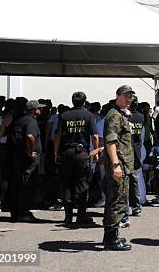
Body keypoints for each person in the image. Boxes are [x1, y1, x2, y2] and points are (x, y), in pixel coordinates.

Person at [53, 92, 100, 225]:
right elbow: (95, 136)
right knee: (82, 184)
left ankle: (68, 216)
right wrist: (96, 151)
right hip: (82, 153)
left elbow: (57, 136)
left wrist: (56, 153)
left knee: (67, 184)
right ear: (84, 102)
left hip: (66, 152)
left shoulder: (64, 115)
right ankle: (81, 215)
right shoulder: (88, 115)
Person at [102, 85, 136, 251]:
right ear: (118, 96)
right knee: (116, 201)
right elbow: (110, 142)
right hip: (119, 165)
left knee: (118, 200)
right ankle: (110, 240)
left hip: (124, 165)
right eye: (126, 96)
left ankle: (111, 235)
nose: (129, 99)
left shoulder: (120, 114)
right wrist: (116, 164)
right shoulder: (114, 115)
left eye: (131, 96)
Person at [10, 100, 45, 222]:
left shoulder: (20, 120)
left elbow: (14, 136)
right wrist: (30, 151)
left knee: (19, 184)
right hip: (28, 160)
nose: (40, 110)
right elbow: (30, 136)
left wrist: (22, 148)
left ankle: (16, 211)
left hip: (19, 156)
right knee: (27, 184)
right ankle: (23, 212)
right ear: (34, 110)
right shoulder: (31, 121)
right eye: (39, 108)